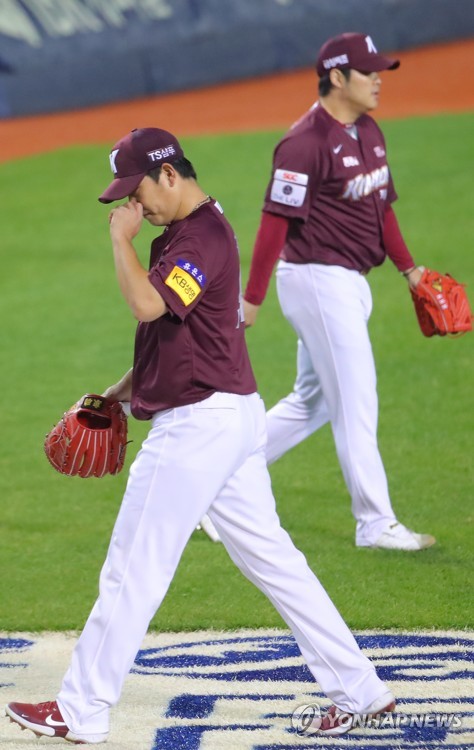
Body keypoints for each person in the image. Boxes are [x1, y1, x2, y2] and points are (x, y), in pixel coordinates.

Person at [5, 126, 395, 742]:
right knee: (277, 564)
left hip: (198, 429)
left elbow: (147, 308)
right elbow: (172, 341)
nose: (132, 208)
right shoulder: (187, 234)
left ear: (169, 174)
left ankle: (80, 710)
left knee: (131, 568)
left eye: (135, 194)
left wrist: (118, 242)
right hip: (228, 420)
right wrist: (116, 393)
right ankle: (362, 691)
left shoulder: (198, 239)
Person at [243, 32, 436, 552]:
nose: (378, 79)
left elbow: (383, 206)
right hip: (315, 281)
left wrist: (409, 270)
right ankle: (374, 523)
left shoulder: (369, 130)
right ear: (336, 77)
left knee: (313, 402)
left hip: (351, 283)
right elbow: (273, 223)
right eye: (369, 71)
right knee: (356, 401)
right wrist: (251, 300)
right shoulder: (303, 142)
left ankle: (220, 477)